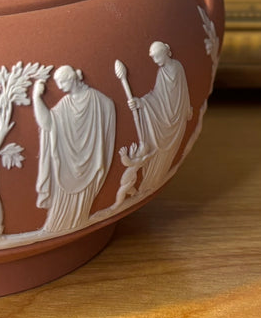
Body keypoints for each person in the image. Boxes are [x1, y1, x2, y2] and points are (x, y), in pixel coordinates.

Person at [33, 65, 116, 235]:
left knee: (81, 205)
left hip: (90, 163)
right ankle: (57, 228)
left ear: (72, 79)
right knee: (61, 207)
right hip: (67, 165)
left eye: (62, 83)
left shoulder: (98, 100)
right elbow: (47, 123)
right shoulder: (65, 103)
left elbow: (109, 108)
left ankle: (75, 222)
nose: (60, 87)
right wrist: (36, 98)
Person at [125, 42, 192, 195]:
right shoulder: (162, 73)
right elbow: (158, 95)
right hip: (164, 118)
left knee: (167, 154)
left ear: (165, 53)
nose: (155, 60)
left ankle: (152, 183)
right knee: (156, 153)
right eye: (153, 57)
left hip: (176, 117)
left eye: (156, 56)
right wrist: (141, 102)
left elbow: (184, 90)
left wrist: (187, 108)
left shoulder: (178, 67)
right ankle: (149, 183)